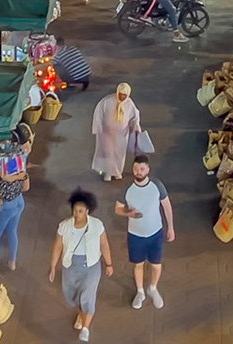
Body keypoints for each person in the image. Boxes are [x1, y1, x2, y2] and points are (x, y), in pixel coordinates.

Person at [51, 189, 114, 342]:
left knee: (88, 295)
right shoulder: (64, 226)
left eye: (80, 211)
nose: (77, 214)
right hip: (70, 266)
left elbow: (104, 244)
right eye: (75, 210)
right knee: (72, 294)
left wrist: (109, 263)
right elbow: (58, 246)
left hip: (91, 266)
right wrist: (53, 266)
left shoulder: (97, 225)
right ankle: (81, 313)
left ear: (87, 211)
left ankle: (85, 328)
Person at [113, 155, 173, 309]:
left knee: (156, 265)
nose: (138, 172)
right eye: (135, 169)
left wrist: (170, 228)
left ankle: (153, 288)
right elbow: (118, 209)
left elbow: (167, 206)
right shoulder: (127, 189)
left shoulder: (157, 186)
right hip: (135, 235)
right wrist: (128, 213)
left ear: (148, 169)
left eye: (142, 169)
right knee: (138, 265)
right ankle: (140, 292)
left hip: (155, 233)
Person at [0, 125, 31, 271]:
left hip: (7, 206)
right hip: (19, 202)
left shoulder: (0, 175)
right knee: (12, 231)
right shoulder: (21, 167)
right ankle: (12, 262)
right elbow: (26, 188)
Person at [91, 83, 144, 181]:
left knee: (119, 154)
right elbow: (98, 114)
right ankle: (108, 173)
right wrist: (97, 127)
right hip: (107, 133)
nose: (122, 97)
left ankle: (117, 172)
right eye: (120, 94)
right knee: (109, 152)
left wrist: (136, 128)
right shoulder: (107, 101)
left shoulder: (130, 104)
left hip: (122, 134)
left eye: (124, 95)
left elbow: (135, 117)